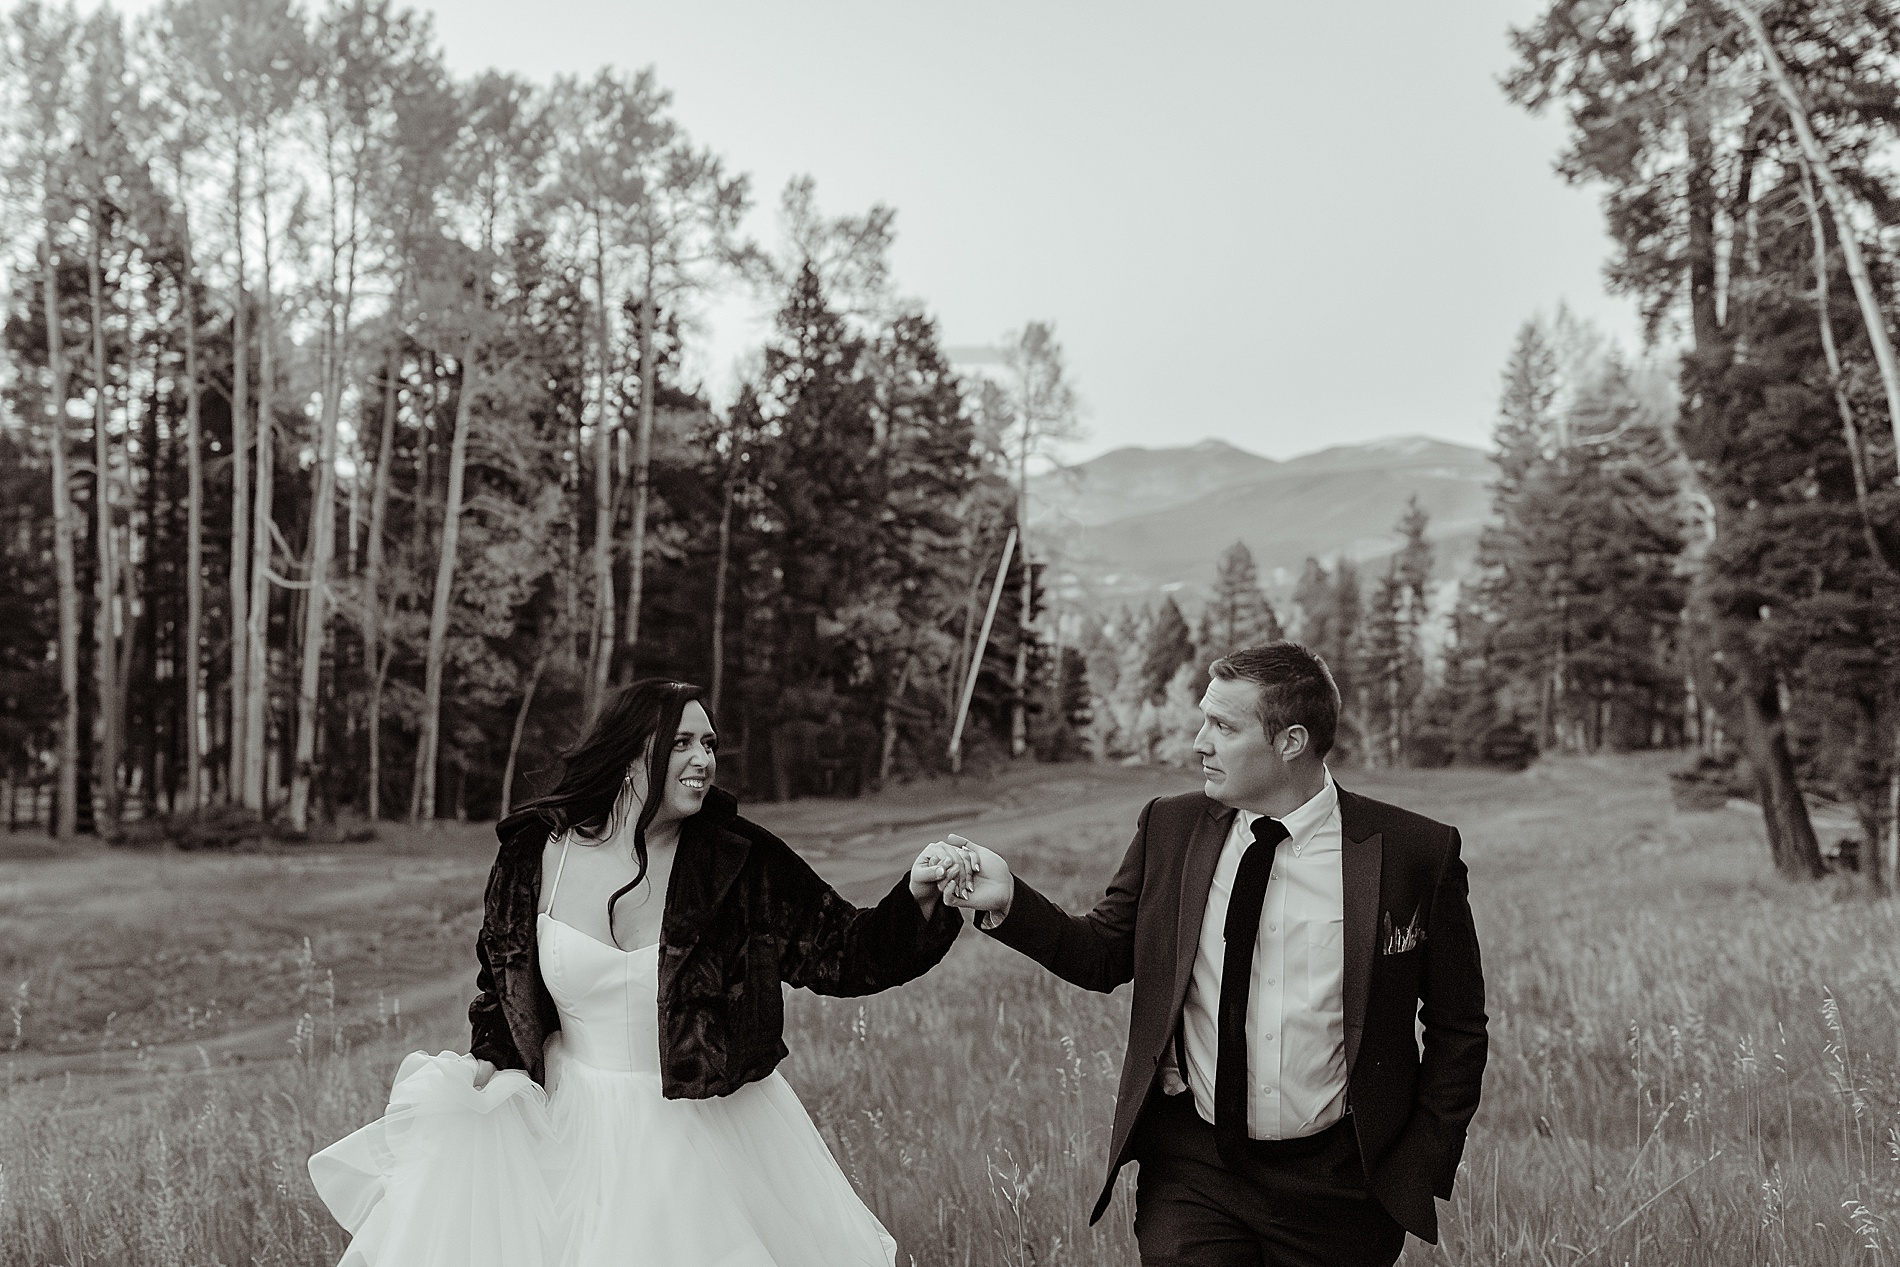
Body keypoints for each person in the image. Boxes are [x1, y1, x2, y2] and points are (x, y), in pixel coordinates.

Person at [309, 679, 973, 1267]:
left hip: (707, 1128)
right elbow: (504, 987)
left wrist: (916, 895)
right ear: (628, 756)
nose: (703, 759)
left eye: (709, 743)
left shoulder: (736, 860)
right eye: (681, 742)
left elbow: (847, 951)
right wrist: (487, 1064)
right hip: (571, 1125)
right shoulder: (535, 852)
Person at [934, 642, 1487, 1266]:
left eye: (1223, 726)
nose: (1200, 743)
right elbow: (1103, 955)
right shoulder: (1171, 828)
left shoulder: (1415, 853)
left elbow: (1458, 1027)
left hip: (1342, 1188)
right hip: (1196, 1170)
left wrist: (1419, 1163)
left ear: (1291, 741)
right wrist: (1009, 900)